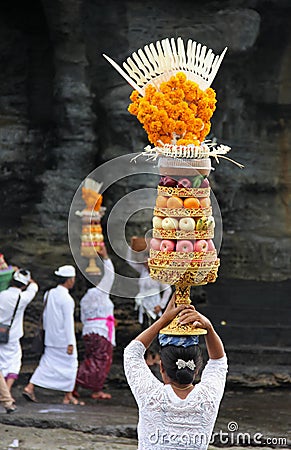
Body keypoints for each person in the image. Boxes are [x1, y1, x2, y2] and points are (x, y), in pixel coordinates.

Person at [124, 293, 228, 450]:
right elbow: (218, 361)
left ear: (162, 368)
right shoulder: (208, 398)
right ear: (197, 369)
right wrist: (208, 327)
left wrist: (163, 320)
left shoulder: (152, 397)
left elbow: (132, 353)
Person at [23, 265, 82, 405]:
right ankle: (68, 396)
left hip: (50, 338)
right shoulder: (67, 299)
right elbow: (68, 323)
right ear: (69, 280)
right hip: (63, 340)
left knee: (46, 364)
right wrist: (70, 343)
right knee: (72, 365)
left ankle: (29, 387)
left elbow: (45, 316)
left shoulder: (48, 294)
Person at [74, 245, 115, 400]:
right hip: (101, 332)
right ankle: (84, 385)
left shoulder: (85, 298)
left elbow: (84, 318)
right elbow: (110, 275)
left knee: (91, 359)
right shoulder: (100, 292)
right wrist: (105, 257)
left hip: (89, 331)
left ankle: (76, 385)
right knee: (101, 361)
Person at [0, 269, 38, 396]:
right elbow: (34, 287)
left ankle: (3, 392)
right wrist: (29, 280)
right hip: (12, 335)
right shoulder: (23, 298)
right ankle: (7, 391)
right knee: (14, 362)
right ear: (23, 284)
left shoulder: (2, 294)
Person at [127, 237, 172, 328]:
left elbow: (168, 290)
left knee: (156, 329)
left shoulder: (159, 273)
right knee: (144, 329)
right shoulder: (143, 271)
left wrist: (161, 305)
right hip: (143, 305)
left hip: (155, 306)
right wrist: (130, 247)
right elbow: (129, 261)